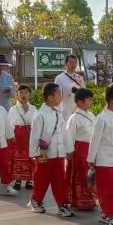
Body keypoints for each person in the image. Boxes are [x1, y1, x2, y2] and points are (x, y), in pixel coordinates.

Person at [87, 83, 113, 225]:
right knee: (106, 190)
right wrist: (91, 160)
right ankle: (112, 217)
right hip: (104, 160)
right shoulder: (101, 119)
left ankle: (106, 214)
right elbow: (94, 140)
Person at [28, 83, 73, 217]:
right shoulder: (40, 115)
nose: (61, 96)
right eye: (58, 93)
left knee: (60, 180)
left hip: (59, 154)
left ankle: (62, 205)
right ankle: (36, 201)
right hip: (45, 155)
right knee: (41, 179)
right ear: (50, 97)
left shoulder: (60, 113)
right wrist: (35, 154)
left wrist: (68, 149)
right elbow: (34, 137)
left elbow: (65, 133)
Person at [64, 88, 96, 211]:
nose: (91, 102)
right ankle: (78, 200)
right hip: (79, 149)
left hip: (90, 148)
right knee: (80, 175)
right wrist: (69, 151)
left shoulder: (91, 115)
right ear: (80, 102)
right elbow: (69, 135)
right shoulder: (74, 118)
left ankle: (89, 199)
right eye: (89, 99)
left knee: (90, 175)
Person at [8, 84, 36, 190]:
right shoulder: (13, 109)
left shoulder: (33, 109)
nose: (23, 95)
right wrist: (11, 137)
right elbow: (10, 124)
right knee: (18, 159)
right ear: (17, 95)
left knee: (30, 158)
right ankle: (18, 180)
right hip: (18, 138)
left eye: (26, 93)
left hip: (30, 136)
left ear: (29, 95)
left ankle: (29, 180)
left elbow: (37, 123)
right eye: (21, 93)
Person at [54, 54, 85, 121]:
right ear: (66, 63)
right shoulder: (59, 78)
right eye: (71, 62)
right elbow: (56, 96)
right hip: (65, 110)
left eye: (75, 62)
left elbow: (84, 94)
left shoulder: (80, 78)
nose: (73, 64)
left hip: (78, 110)